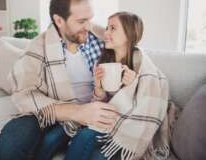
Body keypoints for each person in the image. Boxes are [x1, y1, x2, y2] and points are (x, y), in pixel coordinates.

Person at [0, 0, 126, 160]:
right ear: (58, 20)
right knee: (13, 137)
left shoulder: (103, 39)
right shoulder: (38, 47)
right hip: (54, 111)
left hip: (93, 111)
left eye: (90, 18)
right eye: (81, 21)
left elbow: (133, 53)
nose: (89, 26)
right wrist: (76, 112)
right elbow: (24, 95)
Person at [67, 12, 173, 160]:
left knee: (94, 150)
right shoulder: (104, 60)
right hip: (107, 120)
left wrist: (131, 87)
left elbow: (146, 100)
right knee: (82, 136)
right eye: (106, 28)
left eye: (113, 28)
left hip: (127, 122)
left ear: (129, 34)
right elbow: (102, 103)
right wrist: (98, 88)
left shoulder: (140, 62)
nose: (106, 33)